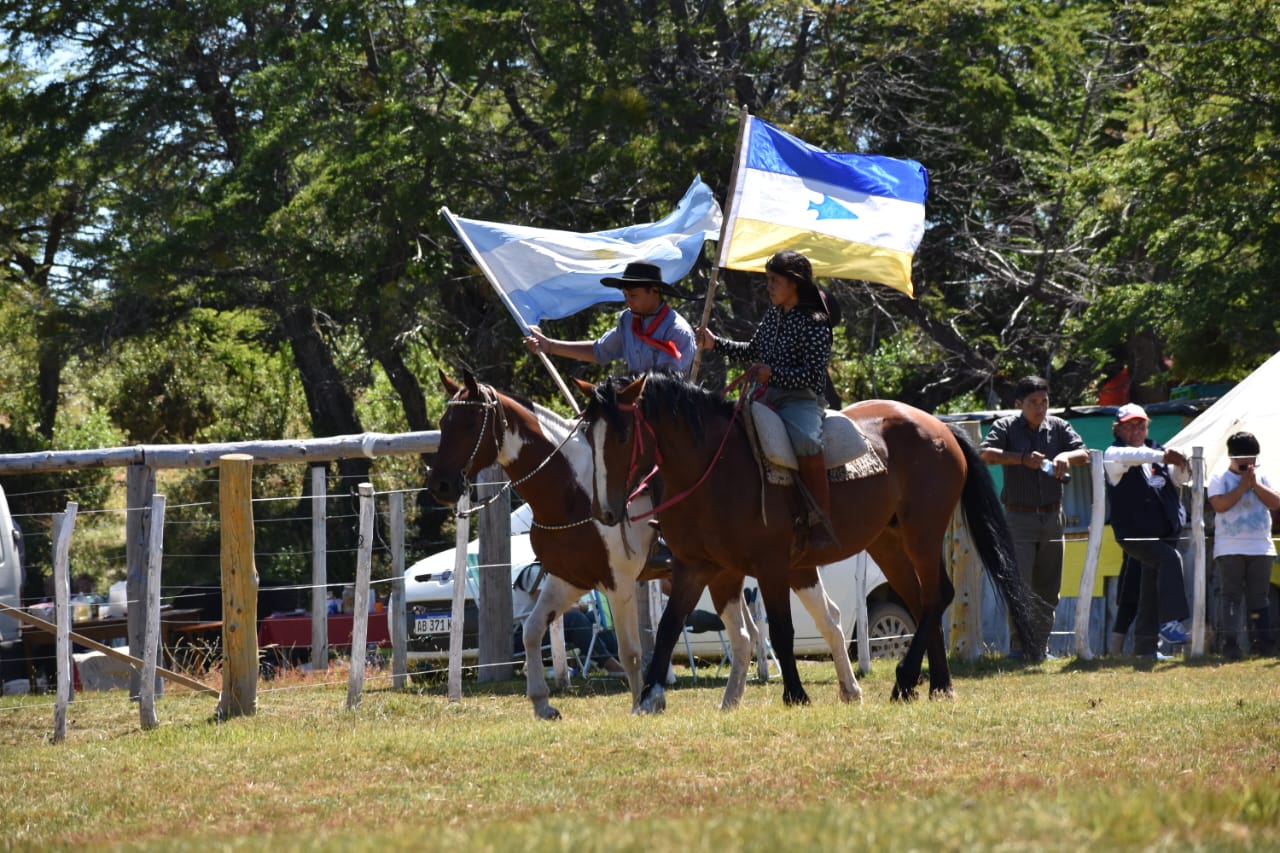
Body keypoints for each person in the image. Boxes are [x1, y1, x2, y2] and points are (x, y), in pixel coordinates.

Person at [695, 250, 838, 553]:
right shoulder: (774, 314)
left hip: (800, 399)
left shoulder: (815, 321)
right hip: (766, 394)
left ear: (794, 283)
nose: (769, 286)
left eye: (775, 280)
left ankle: (820, 520)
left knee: (806, 443)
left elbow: (813, 376)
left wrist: (772, 375)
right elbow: (753, 350)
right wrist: (715, 343)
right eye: (768, 280)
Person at [979, 375, 1089, 657]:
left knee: (1049, 588)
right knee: (1020, 584)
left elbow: (1084, 453)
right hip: (1018, 518)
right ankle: (1019, 647)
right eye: (1033, 403)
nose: (1040, 408)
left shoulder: (1059, 427)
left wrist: (1065, 456)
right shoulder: (1005, 426)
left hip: (1053, 517)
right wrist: (1021, 459)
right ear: (1019, 404)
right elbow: (986, 454)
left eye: (1044, 402)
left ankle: (1040, 647)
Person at [1103, 403, 1192, 658]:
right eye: (1129, 425)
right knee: (1169, 559)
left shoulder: (1156, 452)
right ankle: (1170, 621)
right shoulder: (1114, 453)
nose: (1136, 430)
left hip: (1164, 533)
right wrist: (1165, 456)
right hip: (1134, 534)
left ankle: (1145, 648)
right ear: (1117, 429)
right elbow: (1136, 457)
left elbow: (1180, 479)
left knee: (1151, 587)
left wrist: (1182, 464)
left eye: (1141, 425)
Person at [523, 261, 697, 377]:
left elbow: (662, 384)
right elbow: (600, 351)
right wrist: (550, 346)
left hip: (668, 419)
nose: (628, 301)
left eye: (633, 295)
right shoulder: (628, 320)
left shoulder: (676, 330)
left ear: (654, 291)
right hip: (635, 410)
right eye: (625, 295)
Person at [1207, 431, 1280, 658]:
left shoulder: (1264, 476)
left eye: (1252, 459)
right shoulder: (1219, 477)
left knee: (1260, 597)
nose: (1248, 464)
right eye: (1243, 459)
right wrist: (1241, 486)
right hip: (1230, 548)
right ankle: (1230, 644)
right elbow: (1219, 505)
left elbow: (1276, 503)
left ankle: (1263, 644)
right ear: (1231, 456)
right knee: (1230, 596)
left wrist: (1255, 484)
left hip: (1261, 547)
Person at [512, 564, 625, 675]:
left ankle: (620, 663)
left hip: (548, 627)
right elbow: (547, 606)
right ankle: (611, 666)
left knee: (595, 618)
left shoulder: (554, 576)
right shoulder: (534, 572)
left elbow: (567, 602)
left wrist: (576, 604)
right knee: (575, 619)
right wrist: (578, 607)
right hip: (526, 634)